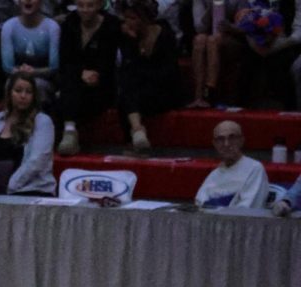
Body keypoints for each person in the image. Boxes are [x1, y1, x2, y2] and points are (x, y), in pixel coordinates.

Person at [56, 0, 120, 155]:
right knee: (70, 82)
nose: (85, 10)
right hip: (74, 81)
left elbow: (109, 62)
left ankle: (70, 131)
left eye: (90, 6)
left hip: (102, 83)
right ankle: (69, 131)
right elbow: (65, 60)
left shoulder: (111, 25)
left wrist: (95, 75)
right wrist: (81, 73)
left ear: (99, 5)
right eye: (81, 6)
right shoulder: (70, 23)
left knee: (65, 97)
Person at [0, 68, 54, 193]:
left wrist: (9, 186)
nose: (23, 96)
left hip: (31, 189)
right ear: (9, 93)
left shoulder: (43, 122)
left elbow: (36, 162)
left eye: (28, 92)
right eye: (18, 91)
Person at [117, 0, 181, 153]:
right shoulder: (129, 38)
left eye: (132, 18)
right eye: (126, 18)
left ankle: (136, 133)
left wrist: (142, 75)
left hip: (164, 90)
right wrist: (132, 43)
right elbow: (128, 69)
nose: (128, 22)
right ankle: (137, 131)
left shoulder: (165, 34)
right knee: (126, 91)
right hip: (139, 90)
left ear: (144, 19)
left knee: (129, 92)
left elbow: (168, 72)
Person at [194, 119, 268, 208]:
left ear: (241, 140)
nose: (226, 144)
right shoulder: (214, 174)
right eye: (220, 139)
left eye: (232, 138)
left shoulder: (255, 168)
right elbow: (199, 204)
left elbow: (248, 209)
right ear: (214, 144)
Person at [0, 0, 59, 107]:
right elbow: (7, 67)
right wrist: (22, 73)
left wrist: (34, 72)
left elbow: (54, 67)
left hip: (45, 79)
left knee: (37, 85)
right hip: (16, 76)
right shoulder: (9, 26)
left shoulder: (52, 27)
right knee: (12, 85)